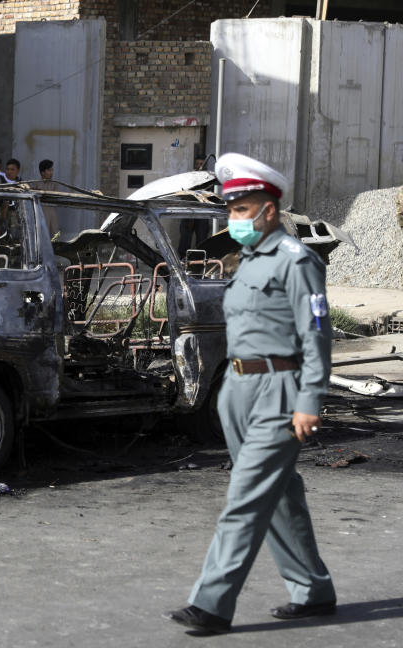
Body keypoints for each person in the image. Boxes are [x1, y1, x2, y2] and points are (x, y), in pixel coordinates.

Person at [165, 153, 336, 635]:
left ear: (269, 209)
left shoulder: (295, 262)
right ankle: (313, 590)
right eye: (231, 210)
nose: (234, 219)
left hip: (279, 392)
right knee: (280, 495)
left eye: (243, 209)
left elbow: (316, 334)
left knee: (244, 498)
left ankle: (211, 605)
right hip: (238, 390)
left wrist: (309, 399)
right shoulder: (248, 262)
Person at [37, 159, 60, 239]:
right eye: (49, 170)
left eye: (52, 170)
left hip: (52, 212)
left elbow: (56, 198)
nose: (51, 173)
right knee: (41, 234)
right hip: (40, 212)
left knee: (54, 234)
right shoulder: (36, 183)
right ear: (42, 172)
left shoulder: (55, 184)